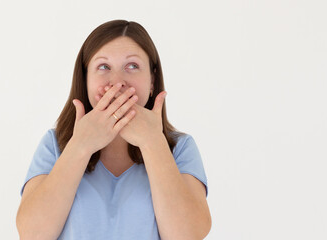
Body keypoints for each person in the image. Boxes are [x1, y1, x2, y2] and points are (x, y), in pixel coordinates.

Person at [16, 20, 211, 239]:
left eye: (132, 66)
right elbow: (31, 234)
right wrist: (80, 146)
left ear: (152, 81)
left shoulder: (180, 148)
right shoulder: (55, 144)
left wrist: (153, 143)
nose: (117, 82)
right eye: (103, 67)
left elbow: (189, 235)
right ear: (86, 79)